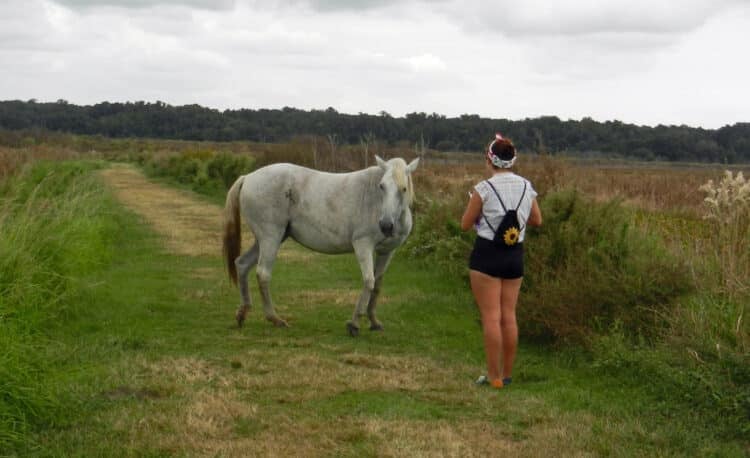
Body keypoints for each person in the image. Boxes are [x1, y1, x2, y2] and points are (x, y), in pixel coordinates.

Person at [460, 133, 542, 389]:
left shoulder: (483, 189)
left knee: (491, 318)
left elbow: (464, 224)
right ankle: (507, 374)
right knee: (509, 316)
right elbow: (537, 220)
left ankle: (493, 377)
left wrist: (482, 218)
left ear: (490, 159)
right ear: (512, 160)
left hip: (486, 256)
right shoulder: (527, 187)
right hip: (514, 256)